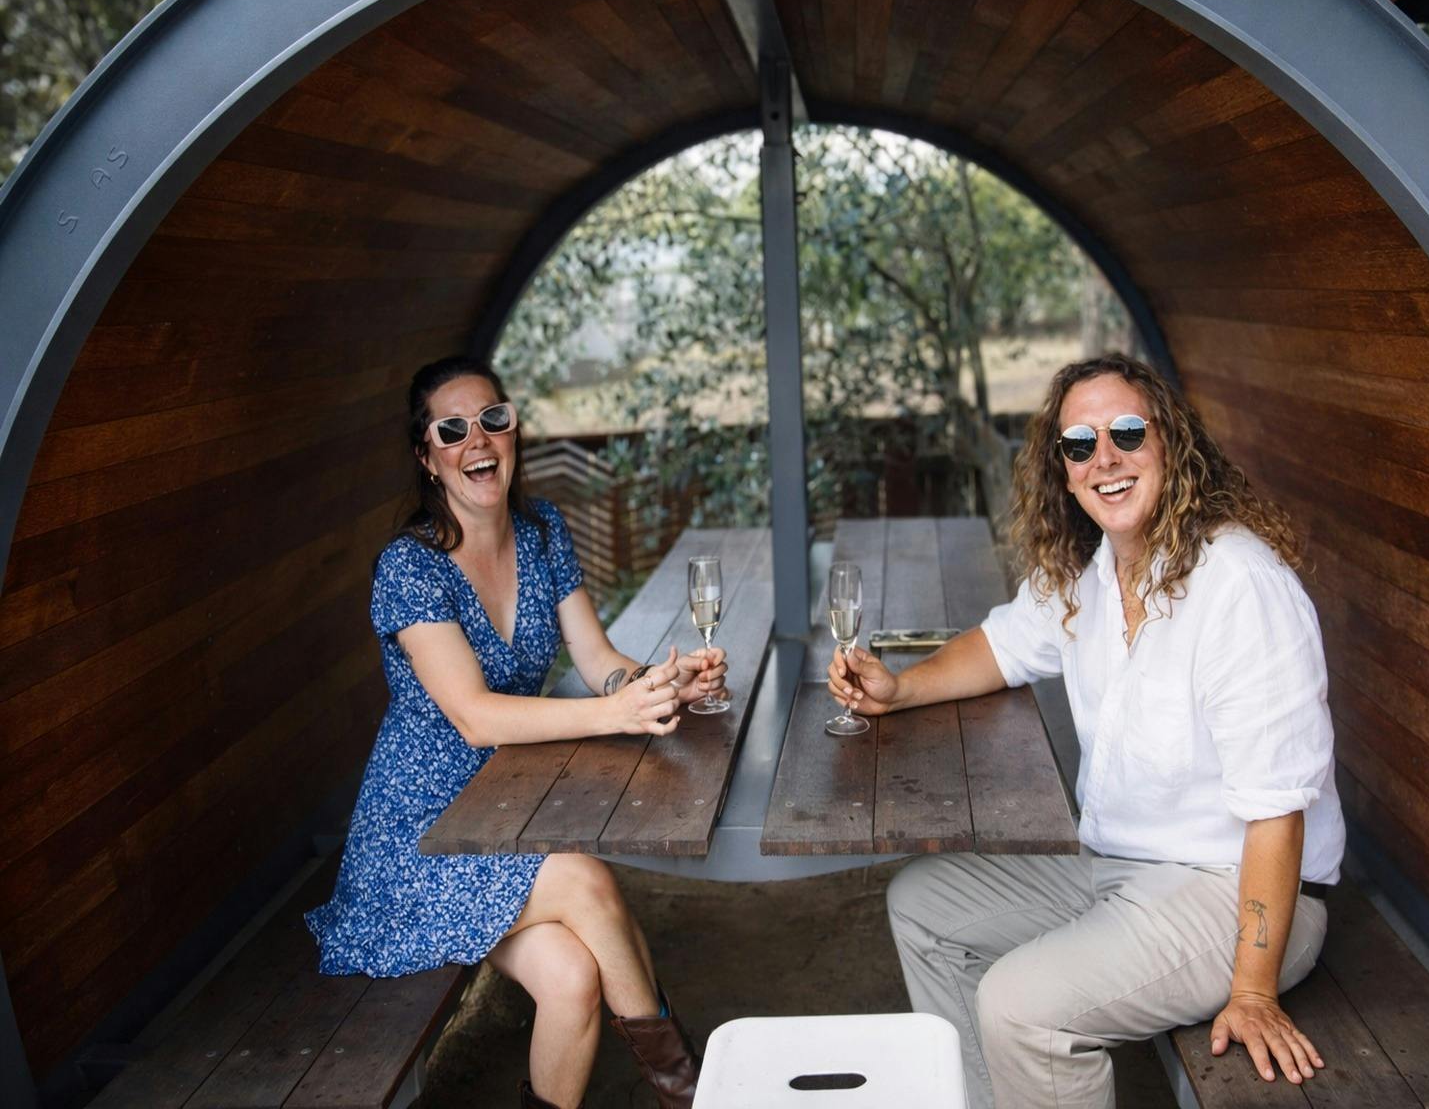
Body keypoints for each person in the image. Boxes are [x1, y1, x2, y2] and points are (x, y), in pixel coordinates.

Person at [827, 354, 1344, 1109]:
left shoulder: (1240, 586)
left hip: (1236, 892)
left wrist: (1254, 991)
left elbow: (1276, 811)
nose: (1105, 457)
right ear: (1064, 471)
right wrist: (899, 689)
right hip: (1121, 867)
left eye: (1126, 432)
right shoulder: (1091, 571)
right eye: (1078, 443)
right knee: (923, 905)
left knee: (1020, 1005)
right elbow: (1001, 646)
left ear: (1171, 442)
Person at [307, 356, 726, 1109]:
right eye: (453, 428)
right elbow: (474, 714)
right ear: (427, 455)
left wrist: (661, 687)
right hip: (421, 838)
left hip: (504, 810)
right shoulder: (409, 569)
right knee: (586, 878)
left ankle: (684, 1089)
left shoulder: (542, 531)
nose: (479, 440)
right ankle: (689, 1094)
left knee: (572, 978)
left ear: (514, 429)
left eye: (493, 419)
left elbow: (598, 661)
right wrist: (612, 716)